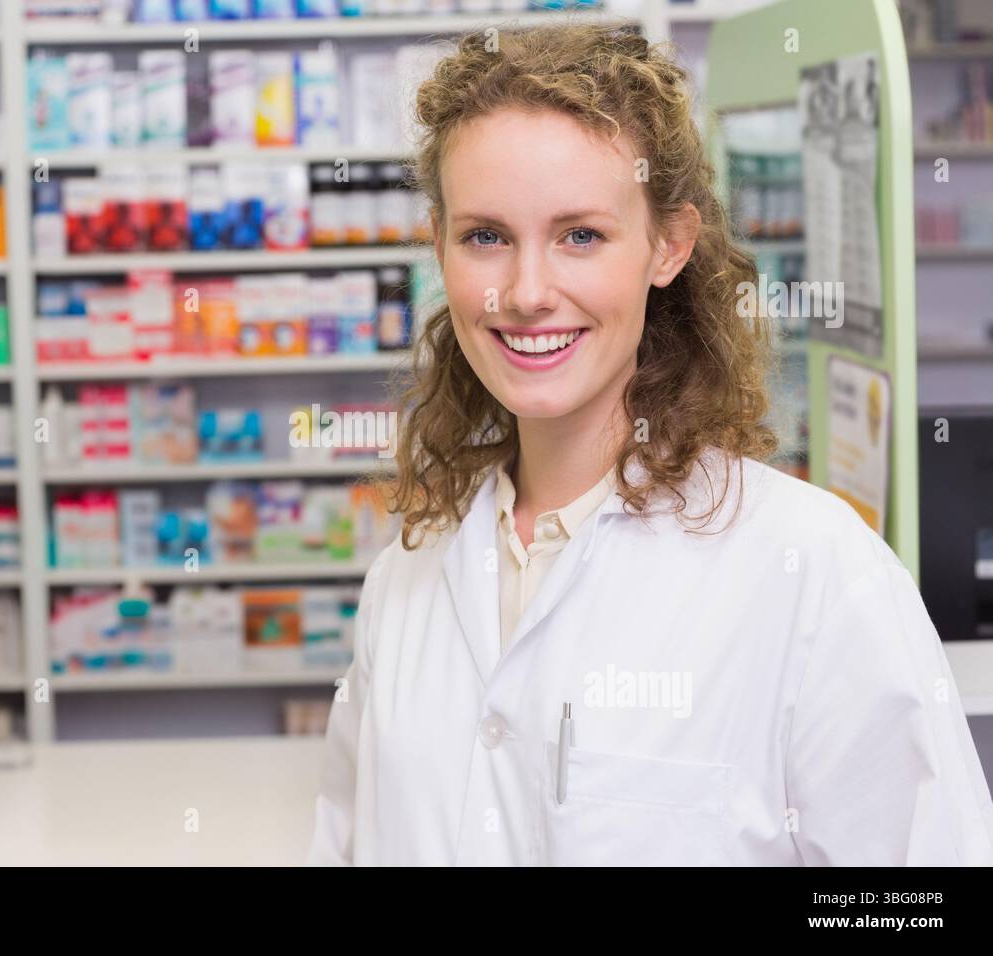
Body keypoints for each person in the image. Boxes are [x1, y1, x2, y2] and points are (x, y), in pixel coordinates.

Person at [306, 21, 993, 866]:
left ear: (667, 245)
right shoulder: (405, 582)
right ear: (439, 245)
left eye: (581, 235)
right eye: (486, 235)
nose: (526, 292)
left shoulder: (814, 573)